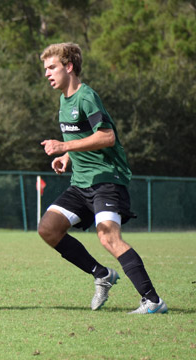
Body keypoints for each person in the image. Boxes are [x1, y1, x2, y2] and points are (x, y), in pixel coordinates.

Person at [38, 43, 167, 314]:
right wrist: (67, 157)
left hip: (107, 179)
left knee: (108, 237)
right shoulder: (64, 100)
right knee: (48, 228)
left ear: (69, 67)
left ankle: (153, 301)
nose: (47, 74)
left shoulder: (86, 96)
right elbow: (80, 138)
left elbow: (106, 137)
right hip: (81, 182)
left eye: (52, 68)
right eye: (46, 69)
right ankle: (101, 274)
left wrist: (63, 147)